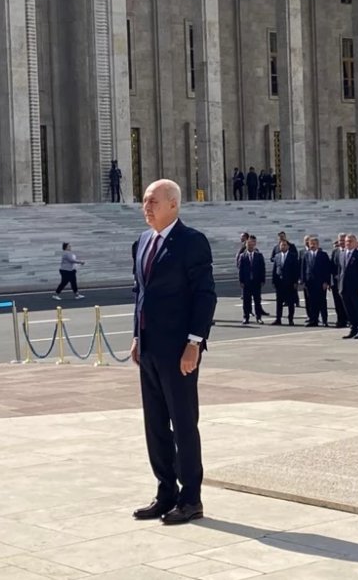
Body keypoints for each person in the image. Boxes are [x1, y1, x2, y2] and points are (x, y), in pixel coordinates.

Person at [129, 179, 217, 526]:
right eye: (145, 201)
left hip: (180, 349)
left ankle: (191, 498)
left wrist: (194, 343)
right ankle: (165, 491)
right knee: (155, 425)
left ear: (173, 205)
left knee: (183, 423)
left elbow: (205, 295)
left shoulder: (191, 242)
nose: (146, 207)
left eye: (153, 201)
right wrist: (138, 336)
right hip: (150, 347)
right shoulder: (141, 242)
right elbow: (140, 292)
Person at [340, 234, 358, 339]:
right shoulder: (342, 254)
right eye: (347, 241)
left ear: (356, 243)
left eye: (350, 241)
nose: (348, 243)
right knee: (349, 310)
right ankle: (353, 329)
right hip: (344, 287)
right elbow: (341, 271)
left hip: (356, 287)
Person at [300, 235, 331, 328]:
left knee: (322, 302)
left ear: (318, 245)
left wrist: (326, 282)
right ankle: (313, 320)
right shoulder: (306, 255)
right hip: (310, 283)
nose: (312, 245)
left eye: (314, 244)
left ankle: (325, 320)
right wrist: (303, 281)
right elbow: (303, 268)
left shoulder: (323, 255)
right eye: (311, 244)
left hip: (320, 283)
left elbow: (327, 269)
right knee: (312, 302)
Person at [237, 235, 266, 324]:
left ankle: (259, 317)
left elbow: (262, 269)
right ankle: (246, 317)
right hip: (246, 282)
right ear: (246, 245)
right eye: (248, 244)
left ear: (254, 245)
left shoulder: (259, 256)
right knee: (246, 301)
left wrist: (262, 280)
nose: (250, 245)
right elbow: (240, 270)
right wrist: (241, 281)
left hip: (256, 282)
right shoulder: (243, 256)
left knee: (257, 301)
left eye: (252, 244)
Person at [271, 239, 300, 326]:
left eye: (284, 245)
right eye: (281, 245)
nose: (283, 247)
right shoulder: (277, 256)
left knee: (291, 302)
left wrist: (295, 282)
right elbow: (274, 270)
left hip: (290, 283)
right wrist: (274, 281)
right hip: (279, 283)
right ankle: (278, 319)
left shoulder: (293, 256)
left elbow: (296, 270)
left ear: (288, 246)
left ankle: (290, 319)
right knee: (279, 302)